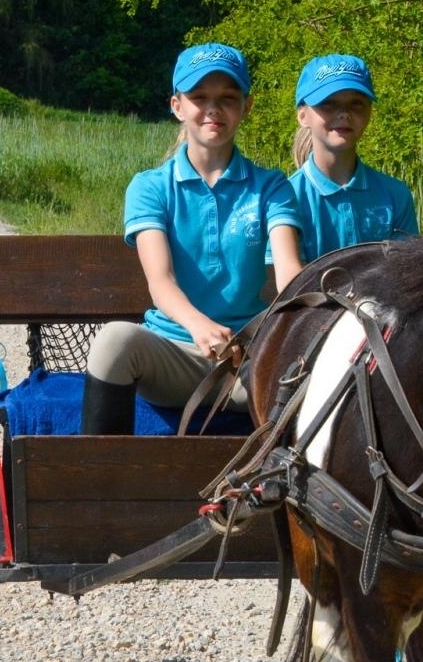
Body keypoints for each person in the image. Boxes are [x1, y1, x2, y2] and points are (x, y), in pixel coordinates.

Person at [81, 43, 304, 435]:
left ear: (246, 107)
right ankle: (101, 470)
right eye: (199, 97)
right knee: (113, 341)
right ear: (177, 106)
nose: (213, 109)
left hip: (247, 361)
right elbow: (160, 281)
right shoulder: (150, 187)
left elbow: (289, 272)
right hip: (173, 354)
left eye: (227, 98)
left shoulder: (271, 187)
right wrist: (200, 326)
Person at [288, 54, 418, 263]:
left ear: (369, 112)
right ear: (303, 116)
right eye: (328, 103)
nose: (344, 113)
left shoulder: (395, 195)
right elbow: (285, 280)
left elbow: (406, 270)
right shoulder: (286, 198)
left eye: (356, 103)